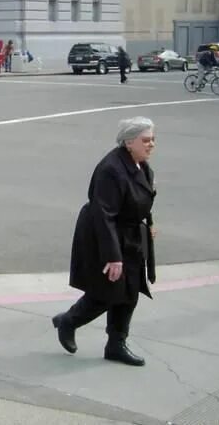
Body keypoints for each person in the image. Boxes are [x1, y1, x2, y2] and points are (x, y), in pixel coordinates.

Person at [52, 117, 157, 367]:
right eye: (146, 140)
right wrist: (113, 256)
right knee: (107, 292)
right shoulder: (111, 169)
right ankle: (68, 321)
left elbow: (143, 199)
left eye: (153, 139)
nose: (151, 144)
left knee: (130, 292)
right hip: (106, 235)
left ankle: (116, 344)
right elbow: (104, 213)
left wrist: (149, 225)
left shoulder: (141, 165)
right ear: (129, 142)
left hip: (129, 234)